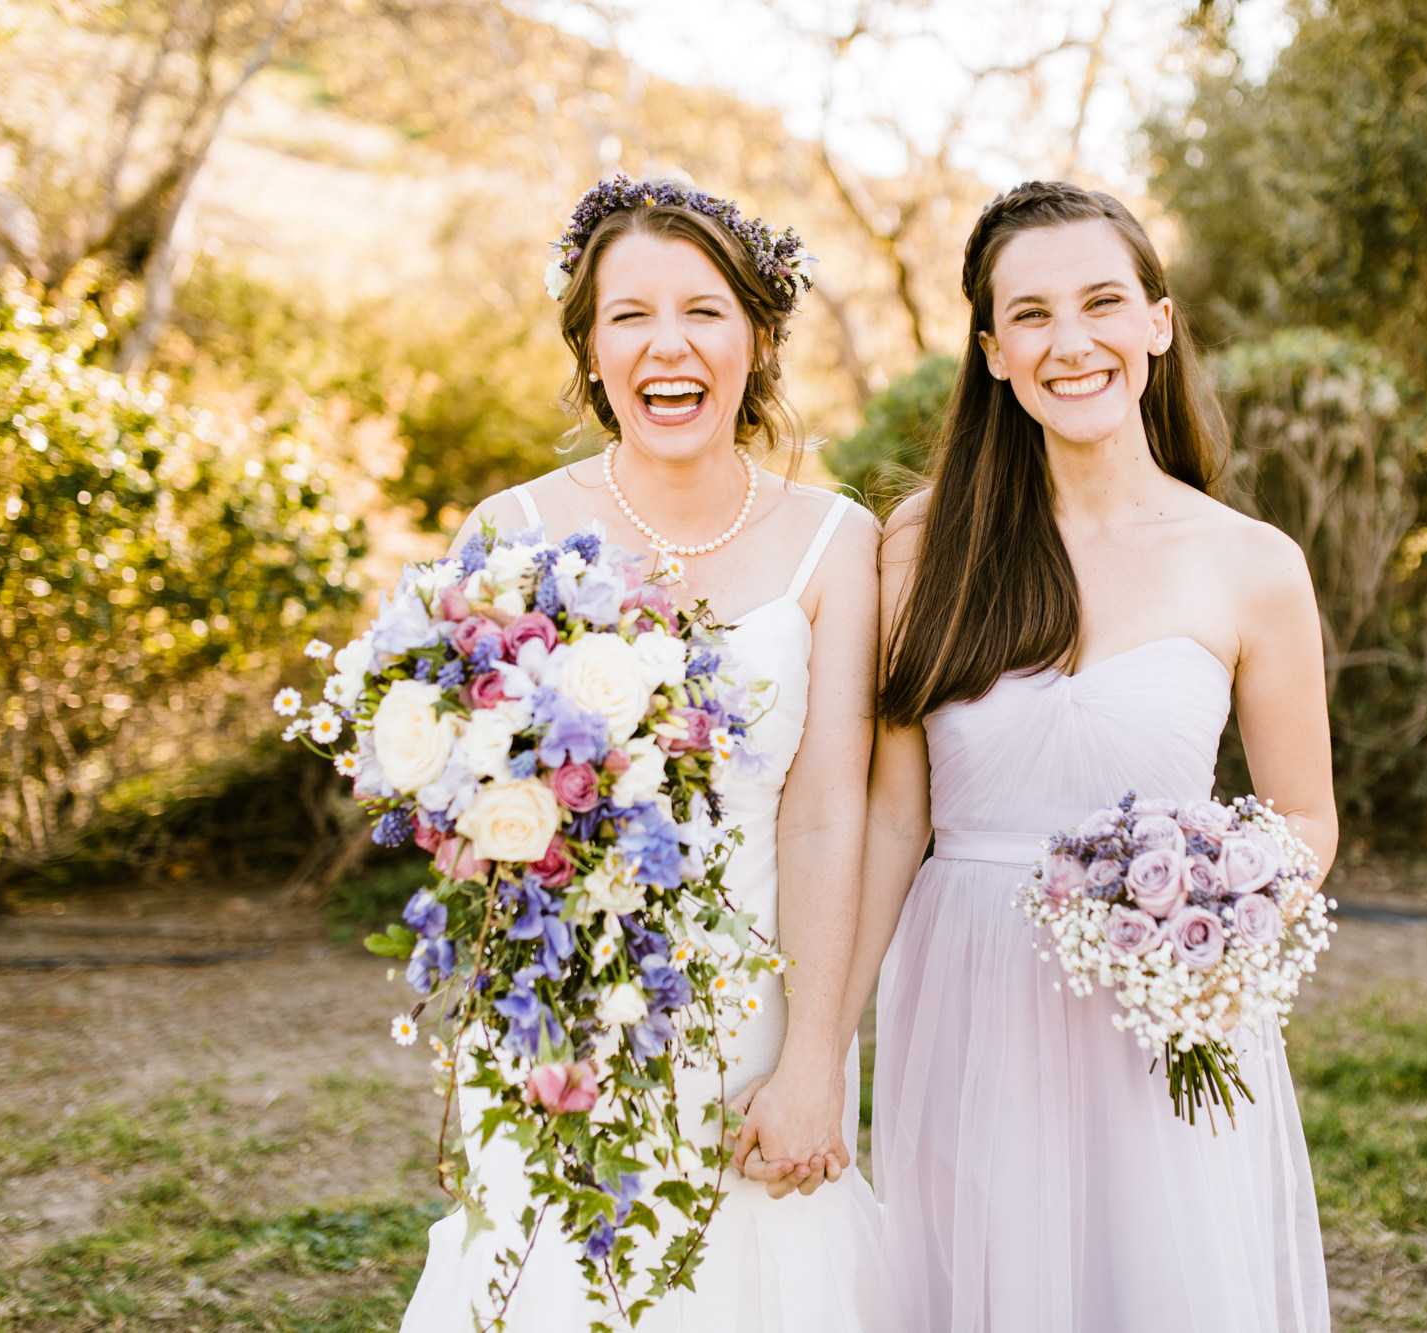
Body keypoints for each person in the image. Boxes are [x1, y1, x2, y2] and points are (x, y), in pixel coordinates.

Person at [840, 180, 1337, 1332]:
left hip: (1160, 1003)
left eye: (1102, 302)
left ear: (1157, 323)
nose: (1071, 343)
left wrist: (1220, 913)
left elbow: (1301, 816)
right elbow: (886, 817)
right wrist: (820, 1046)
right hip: (965, 994)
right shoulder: (922, 546)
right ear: (992, 351)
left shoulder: (1251, 563)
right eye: (1031, 316)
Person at [402, 177, 888, 1333]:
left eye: (703, 310)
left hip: (758, 1015)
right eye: (628, 316)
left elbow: (827, 814)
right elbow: (455, 798)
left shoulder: (837, 542)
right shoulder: (507, 532)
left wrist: (815, 1053)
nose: (666, 345)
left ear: (759, 337)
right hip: (560, 1009)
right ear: (588, 347)